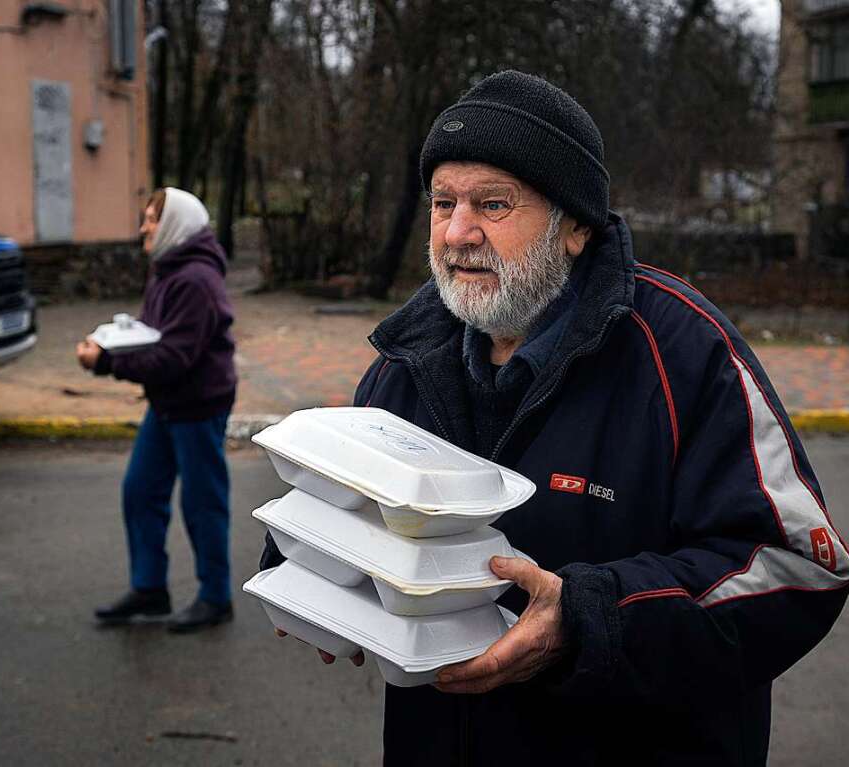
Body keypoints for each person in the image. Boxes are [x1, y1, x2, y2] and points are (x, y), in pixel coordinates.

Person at [261, 70, 848, 765]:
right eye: (442, 201)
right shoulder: (405, 361)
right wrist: (310, 567)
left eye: (492, 204)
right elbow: (344, 514)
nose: (455, 233)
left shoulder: (684, 352)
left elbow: (796, 568)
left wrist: (587, 620)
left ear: (573, 225)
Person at [78, 187, 237, 633]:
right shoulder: (168, 270)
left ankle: (215, 597)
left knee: (202, 502)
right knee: (140, 491)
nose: (143, 227)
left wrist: (106, 361)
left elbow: (173, 357)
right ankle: (149, 589)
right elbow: (155, 334)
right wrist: (114, 338)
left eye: (151, 219)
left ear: (174, 226)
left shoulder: (195, 281)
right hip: (169, 403)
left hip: (197, 405)